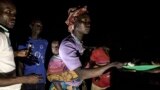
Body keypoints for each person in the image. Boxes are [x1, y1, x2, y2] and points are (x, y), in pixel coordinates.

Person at [48, 5, 123, 89]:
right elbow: (81, 73)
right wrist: (111, 65)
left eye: (89, 21)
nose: (88, 24)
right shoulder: (68, 45)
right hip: (62, 86)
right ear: (75, 20)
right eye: (84, 20)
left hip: (74, 84)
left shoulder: (79, 43)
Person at [0, 0, 42, 89]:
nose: (13, 17)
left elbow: (2, 55)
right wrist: (25, 79)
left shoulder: (4, 35)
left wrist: (17, 53)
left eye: (14, 14)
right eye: (8, 12)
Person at [18, 19, 48, 90]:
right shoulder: (24, 42)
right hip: (28, 80)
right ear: (31, 26)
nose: (40, 27)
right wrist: (21, 82)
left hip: (41, 80)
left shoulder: (45, 42)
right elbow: (20, 65)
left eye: (41, 26)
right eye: (37, 25)